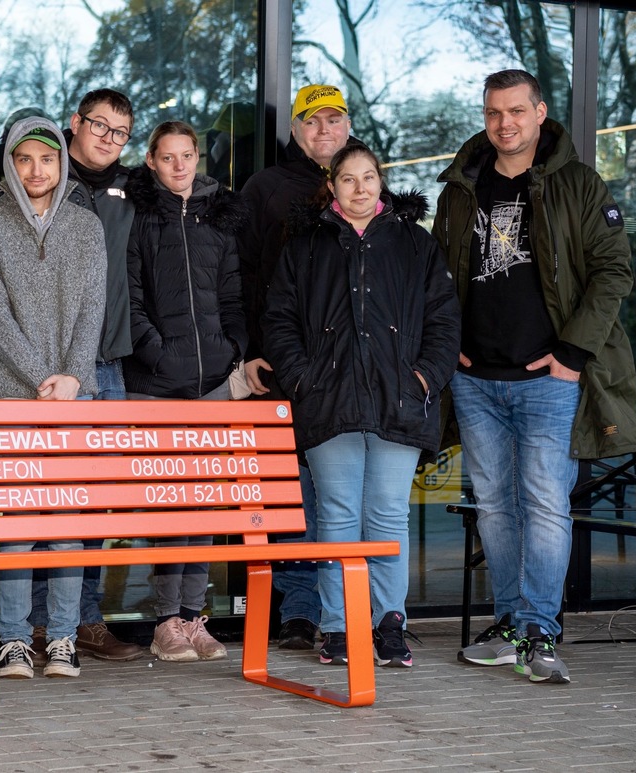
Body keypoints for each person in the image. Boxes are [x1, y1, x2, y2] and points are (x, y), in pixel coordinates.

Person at [434, 69, 636, 683]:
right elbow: (438, 278)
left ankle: (540, 632)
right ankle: (509, 625)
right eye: (495, 112)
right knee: (495, 506)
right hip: (475, 380)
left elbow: (614, 272)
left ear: (541, 113)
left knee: (546, 504)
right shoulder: (459, 188)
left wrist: (572, 356)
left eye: (517, 111)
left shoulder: (578, 185)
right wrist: (449, 347)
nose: (505, 124)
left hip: (550, 379)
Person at [263, 143, 461, 669]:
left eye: (368, 177)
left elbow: (444, 320)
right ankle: (337, 625)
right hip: (329, 402)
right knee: (338, 516)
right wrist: (304, 377)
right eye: (348, 179)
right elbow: (279, 320)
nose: (359, 188)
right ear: (332, 185)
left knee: (388, 514)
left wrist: (423, 377)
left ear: (382, 181)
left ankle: (388, 622)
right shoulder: (305, 245)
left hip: (398, 399)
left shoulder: (414, 244)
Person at [0, 117, 106, 679]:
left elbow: (93, 308)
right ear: (9, 165)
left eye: (46, 159)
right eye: (24, 159)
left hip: (74, 396)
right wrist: (41, 378)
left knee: (69, 526)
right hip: (10, 394)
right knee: (21, 526)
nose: (36, 170)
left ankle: (65, 639)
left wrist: (72, 376)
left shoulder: (85, 226)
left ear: (61, 163)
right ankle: (14, 641)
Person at [28, 88, 147, 664]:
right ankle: (28, 623)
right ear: (74, 123)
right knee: (39, 497)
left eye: (119, 131)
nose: (106, 137)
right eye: (97, 125)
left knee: (95, 502)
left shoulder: (132, 192)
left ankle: (83, 620)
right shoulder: (43, 176)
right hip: (45, 363)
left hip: (107, 364)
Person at [122, 120, 248, 662]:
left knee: (205, 508)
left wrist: (231, 348)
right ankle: (164, 621)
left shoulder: (219, 215)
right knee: (170, 509)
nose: (179, 166)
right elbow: (128, 299)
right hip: (156, 385)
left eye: (188, 156)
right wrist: (159, 354)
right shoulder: (137, 214)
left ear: (198, 158)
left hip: (213, 384)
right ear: (150, 160)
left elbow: (235, 292)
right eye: (168, 157)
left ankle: (194, 619)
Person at [237, 84, 356, 651]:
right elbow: (238, 278)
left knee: (338, 498)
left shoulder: (362, 186)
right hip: (278, 370)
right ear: (295, 130)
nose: (323, 131)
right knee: (290, 499)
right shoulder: (264, 189)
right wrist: (247, 352)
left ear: (347, 126)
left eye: (333, 120)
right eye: (312, 122)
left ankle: (346, 610)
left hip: (345, 378)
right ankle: (299, 611)